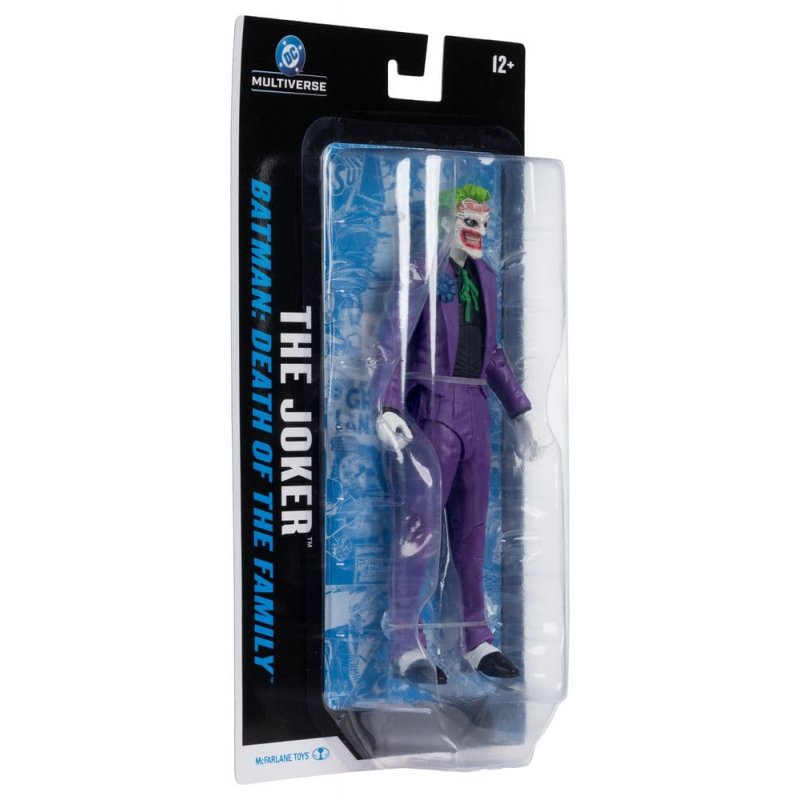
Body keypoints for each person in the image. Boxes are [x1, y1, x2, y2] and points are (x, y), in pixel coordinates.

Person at [375, 184, 541, 684]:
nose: (479, 232)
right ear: (448, 222)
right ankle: (406, 641)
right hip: (433, 411)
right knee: (419, 531)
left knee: (473, 534)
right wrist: (388, 405)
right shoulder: (420, 272)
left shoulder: (486, 276)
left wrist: (520, 411)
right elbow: (392, 339)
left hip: (476, 412)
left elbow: (492, 353)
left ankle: (476, 638)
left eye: (485, 225)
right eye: (470, 222)